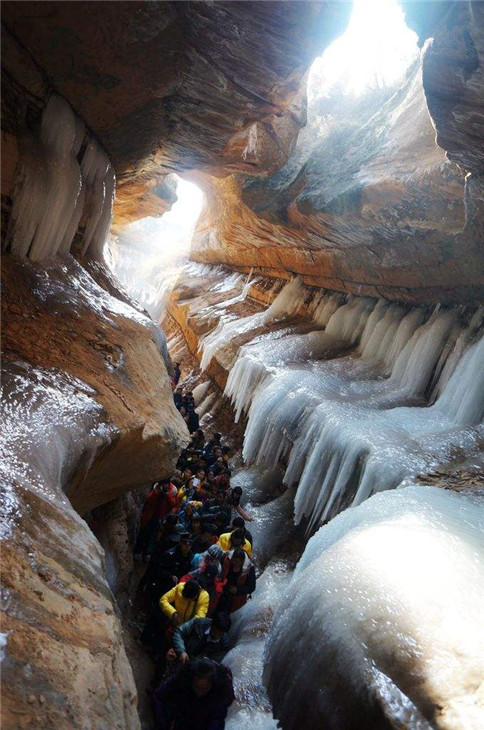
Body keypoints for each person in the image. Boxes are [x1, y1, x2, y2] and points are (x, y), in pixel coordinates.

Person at [152, 657, 234, 730]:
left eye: (204, 689)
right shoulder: (182, 677)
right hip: (184, 708)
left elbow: (217, 718)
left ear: (212, 684)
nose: (200, 692)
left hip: (206, 713)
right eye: (197, 687)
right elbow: (159, 696)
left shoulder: (221, 688)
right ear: (191, 681)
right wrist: (164, 725)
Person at [216, 548, 256, 614]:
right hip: (221, 594)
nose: (234, 563)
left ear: (242, 561)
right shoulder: (226, 559)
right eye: (233, 561)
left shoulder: (249, 569)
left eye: (237, 562)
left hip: (235, 599)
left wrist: (237, 590)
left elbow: (251, 587)